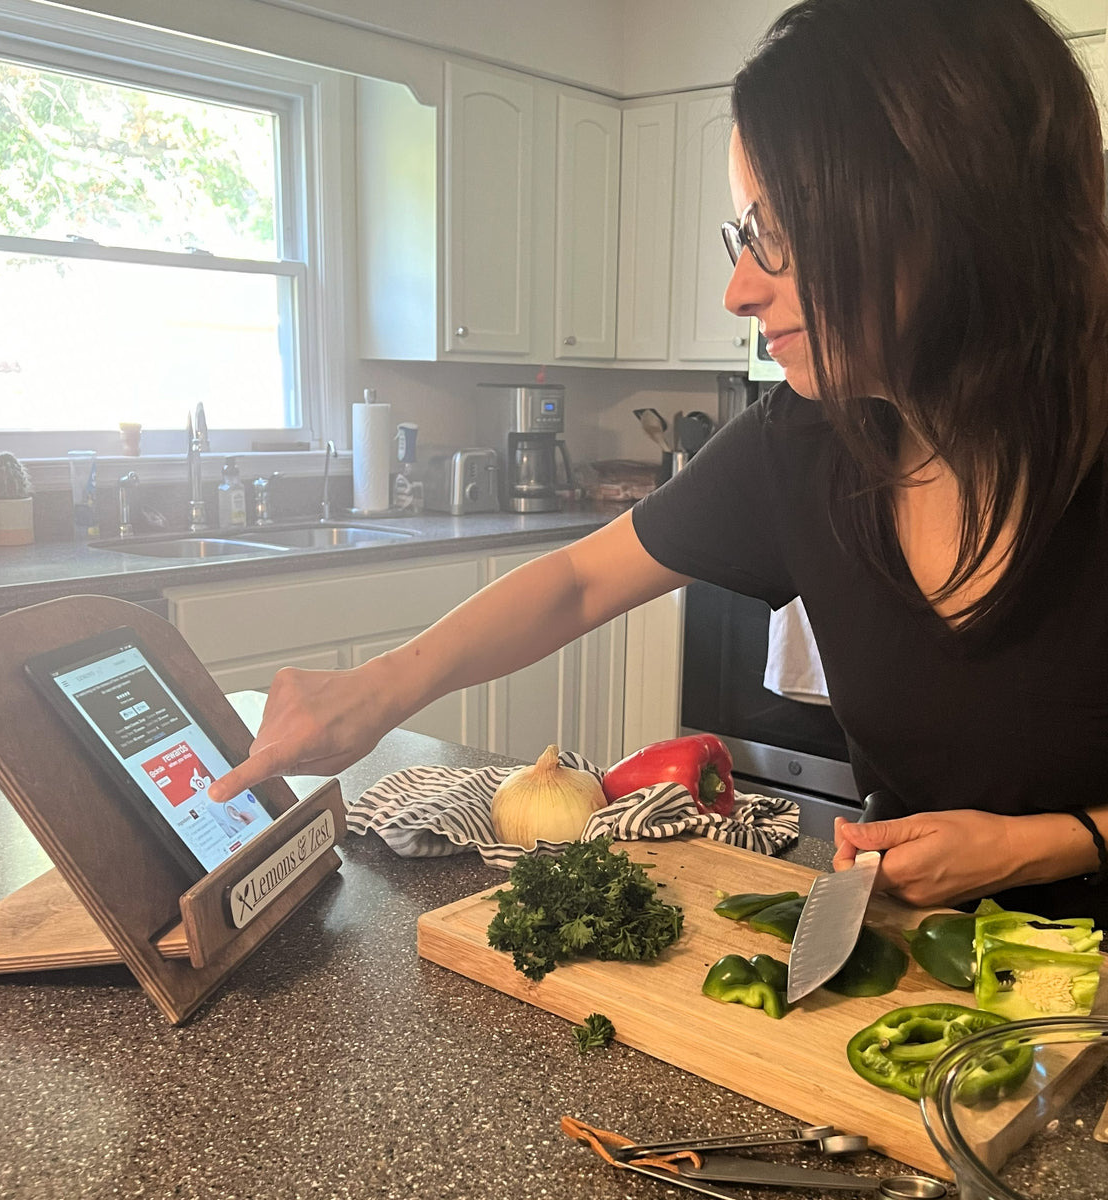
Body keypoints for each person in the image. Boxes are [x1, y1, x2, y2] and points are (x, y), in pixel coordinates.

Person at [212, 0, 1108, 927]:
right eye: (743, 234)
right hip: (932, 972)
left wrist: (1048, 841)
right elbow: (577, 581)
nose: (738, 289)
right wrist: (375, 690)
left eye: (777, 231)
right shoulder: (804, 436)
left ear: (947, 207)